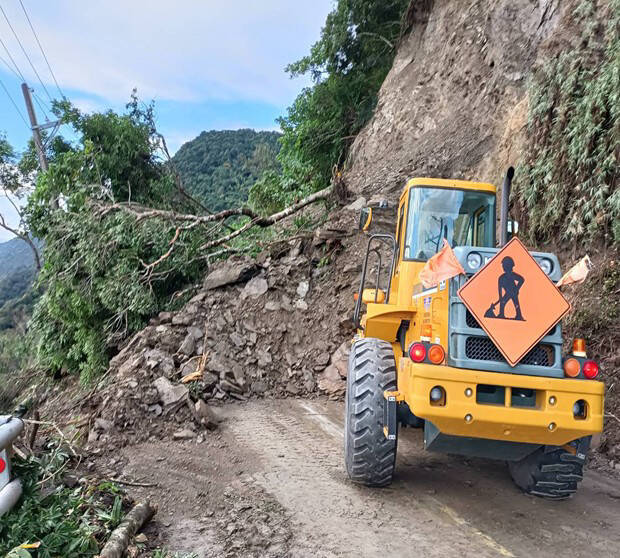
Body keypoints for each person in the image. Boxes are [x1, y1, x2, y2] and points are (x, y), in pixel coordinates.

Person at [497, 256, 524, 320]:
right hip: (508, 292)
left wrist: (517, 289)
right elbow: (499, 288)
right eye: (503, 265)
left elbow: (522, 279)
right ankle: (501, 314)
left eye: (504, 265)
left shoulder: (512, 275)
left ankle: (519, 315)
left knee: (516, 304)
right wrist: (500, 297)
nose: (503, 267)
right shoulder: (501, 278)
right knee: (503, 302)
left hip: (513, 292)